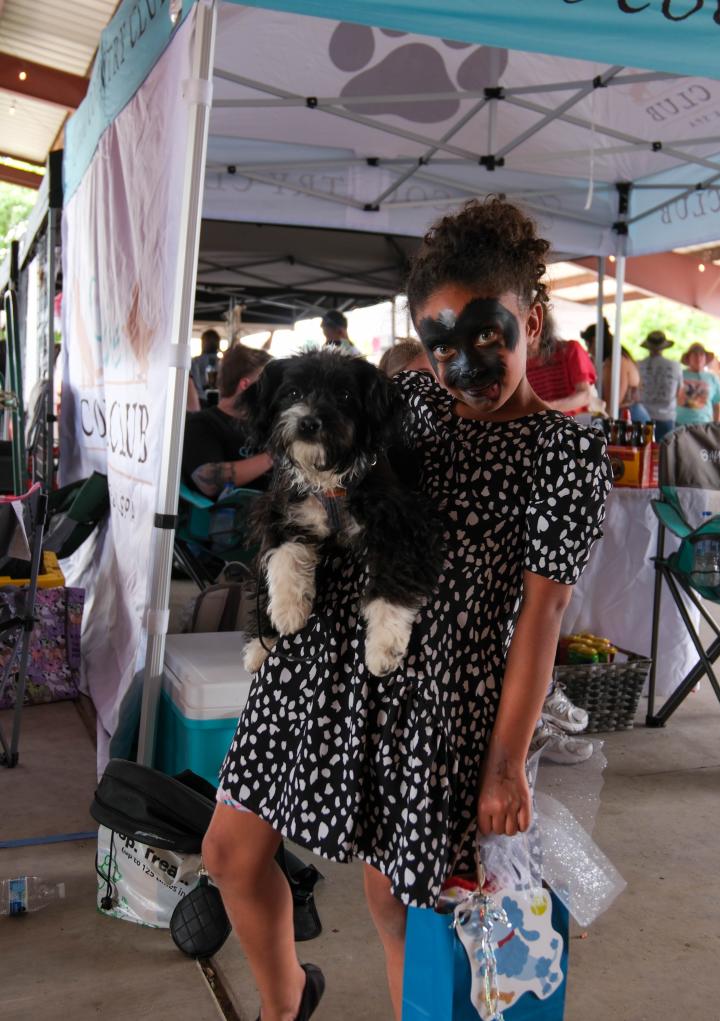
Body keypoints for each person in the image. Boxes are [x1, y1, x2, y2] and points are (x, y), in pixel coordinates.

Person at [202, 197, 612, 1021]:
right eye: (441, 344)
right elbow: (316, 473)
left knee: (396, 901)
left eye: (487, 336)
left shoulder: (566, 449)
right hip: (316, 661)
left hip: (435, 697)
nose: (463, 366)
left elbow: (541, 615)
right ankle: (287, 1002)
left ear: (533, 320)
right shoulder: (411, 408)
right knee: (229, 850)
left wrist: (505, 763)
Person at [181, 345, 273, 499]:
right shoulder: (201, 423)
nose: (273, 392)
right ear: (245, 385)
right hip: (232, 519)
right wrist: (274, 457)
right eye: (269, 384)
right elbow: (209, 482)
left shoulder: (264, 424)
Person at [526, 311, 597, 415]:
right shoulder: (519, 362)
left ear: (541, 326)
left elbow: (585, 395)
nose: (528, 333)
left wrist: (547, 407)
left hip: (572, 425)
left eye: (531, 326)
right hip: (540, 426)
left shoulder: (570, 349)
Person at [580, 318, 648, 424]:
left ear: (594, 341)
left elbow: (613, 403)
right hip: (627, 416)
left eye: (588, 345)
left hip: (630, 418)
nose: (588, 351)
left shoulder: (617, 362)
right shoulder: (614, 360)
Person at [637, 329, 683, 441]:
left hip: (642, 415)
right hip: (666, 416)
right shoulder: (675, 366)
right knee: (663, 454)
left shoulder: (638, 365)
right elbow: (679, 392)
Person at [676, 341, 720, 426]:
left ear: (705, 358)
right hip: (680, 424)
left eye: (701, 355)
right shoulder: (679, 375)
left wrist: (716, 424)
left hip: (704, 425)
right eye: (694, 355)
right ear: (688, 358)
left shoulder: (712, 378)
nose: (698, 358)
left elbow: (716, 404)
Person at [190, 328, 222, 401]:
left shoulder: (195, 362)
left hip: (200, 400)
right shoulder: (224, 363)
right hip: (218, 401)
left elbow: (195, 383)